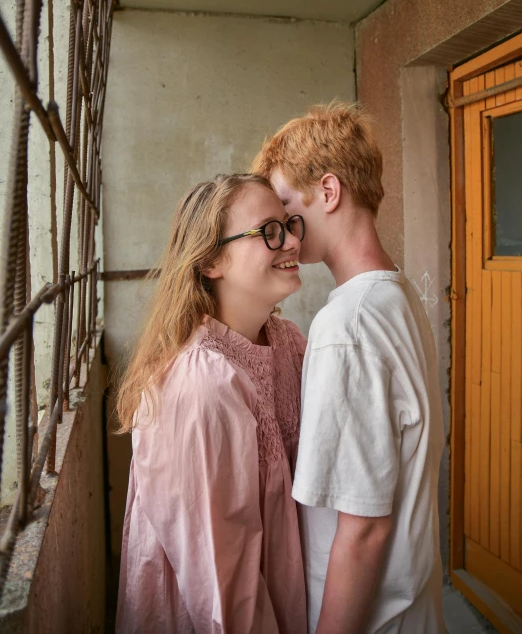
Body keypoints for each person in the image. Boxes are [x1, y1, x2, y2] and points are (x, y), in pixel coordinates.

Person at [252, 102, 446, 634]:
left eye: (288, 207)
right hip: (413, 607)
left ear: (330, 193)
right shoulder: (398, 295)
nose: (285, 231)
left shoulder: (346, 325)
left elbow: (363, 529)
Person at [115, 173, 308, 634]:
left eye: (290, 224)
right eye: (270, 231)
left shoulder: (289, 342)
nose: (292, 242)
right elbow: (222, 590)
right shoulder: (200, 385)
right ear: (211, 261)